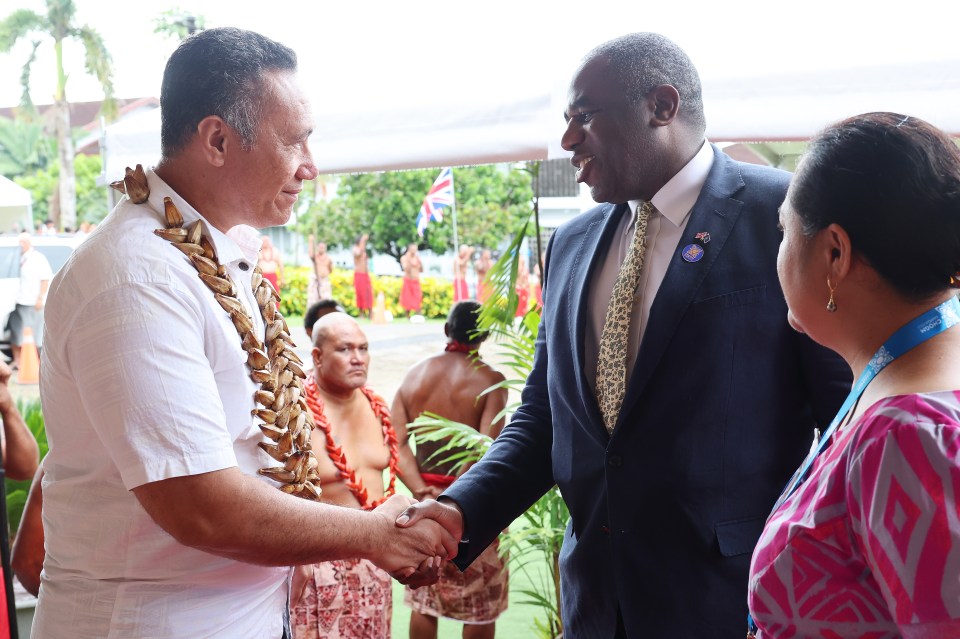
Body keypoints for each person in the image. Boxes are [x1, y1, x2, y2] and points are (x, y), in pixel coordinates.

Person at [398, 32, 851, 638]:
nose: (566, 140)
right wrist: (459, 511)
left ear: (661, 106)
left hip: (733, 603)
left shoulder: (783, 219)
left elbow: (845, 424)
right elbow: (545, 418)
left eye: (582, 116)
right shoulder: (571, 244)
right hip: (594, 605)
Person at [35, 27, 453, 639]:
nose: (310, 167)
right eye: (295, 142)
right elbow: (199, 506)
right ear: (218, 139)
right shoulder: (136, 276)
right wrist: (370, 531)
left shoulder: (221, 250)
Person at [746, 112, 960, 638]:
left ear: (834, 253)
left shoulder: (907, 437)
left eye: (783, 231)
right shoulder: (903, 392)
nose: (778, 253)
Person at [292, 312, 432, 639]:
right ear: (317, 357)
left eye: (363, 348)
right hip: (317, 563)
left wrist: (427, 502)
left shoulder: (377, 405)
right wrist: (296, 558)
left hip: (376, 562)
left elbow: (397, 470)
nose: (358, 359)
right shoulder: (296, 410)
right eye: (344, 349)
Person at [393, 301, 509, 639]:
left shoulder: (414, 375)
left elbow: (396, 444)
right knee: (479, 606)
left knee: (425, 599)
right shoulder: (491, 381)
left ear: (448, 329)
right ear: (484, 335)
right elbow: (487, 449)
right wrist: (455, 498)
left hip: (424, 506)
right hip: (469, 506)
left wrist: (421, 491)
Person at [9, 233, 52, 370]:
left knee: (36, 334)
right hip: (19, 301)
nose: (20, 244)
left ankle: (38, 363)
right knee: (16, 332)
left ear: (28, 243)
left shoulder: (38, 258)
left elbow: (45, 279)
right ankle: (18, 361)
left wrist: (40, 298)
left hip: (33, 303)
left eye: (23, 242)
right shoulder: (19, 257)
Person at [307, 234, 334, 307]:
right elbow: (310, 255)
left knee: (326, 299)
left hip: (324, 281)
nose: (321, 248)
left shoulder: (328, 258)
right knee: (313, 300)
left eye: (323, 247)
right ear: (318, 247)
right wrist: (310, 241)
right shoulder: (315, 256)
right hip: (315, 280)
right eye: (320, 247)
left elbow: (331, 270)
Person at [352, 233, 374, 319]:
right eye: (362, 241)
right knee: (360, 293)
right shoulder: (355, 249)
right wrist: (363, 240)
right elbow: (358, 254)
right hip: (359, 275)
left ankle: (370, 313)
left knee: (368, 293)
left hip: (366, 275)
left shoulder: (363, 250)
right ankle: (361, 313)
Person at [400, 242, 424, 318]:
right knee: (407, 298)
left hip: (416, 281)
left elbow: (421, 270)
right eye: (414, 249)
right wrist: (409, 261)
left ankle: (418, 315)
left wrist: (420, 263)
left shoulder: (417, 258)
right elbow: (405, 269)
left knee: (418, 298)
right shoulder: (404, 258)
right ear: (410, 249)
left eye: (416, 249)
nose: (415, 250)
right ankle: (408, 316)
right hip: (408, 281)